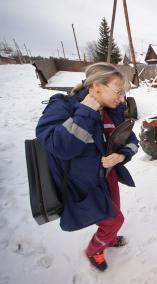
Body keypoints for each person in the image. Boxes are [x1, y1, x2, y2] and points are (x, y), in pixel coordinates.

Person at [36, 62, 139, 271]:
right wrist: (87, 110)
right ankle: (94, 251)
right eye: (118, 91)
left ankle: (108, 240)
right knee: (114, 221)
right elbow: (60, 146)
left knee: (113, 213)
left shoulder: (114, 111)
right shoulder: (63, 107)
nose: (121, 99)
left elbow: (132, 140)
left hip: (107, 177)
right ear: (97, 85)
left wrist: (121, 155)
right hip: (82, 184)